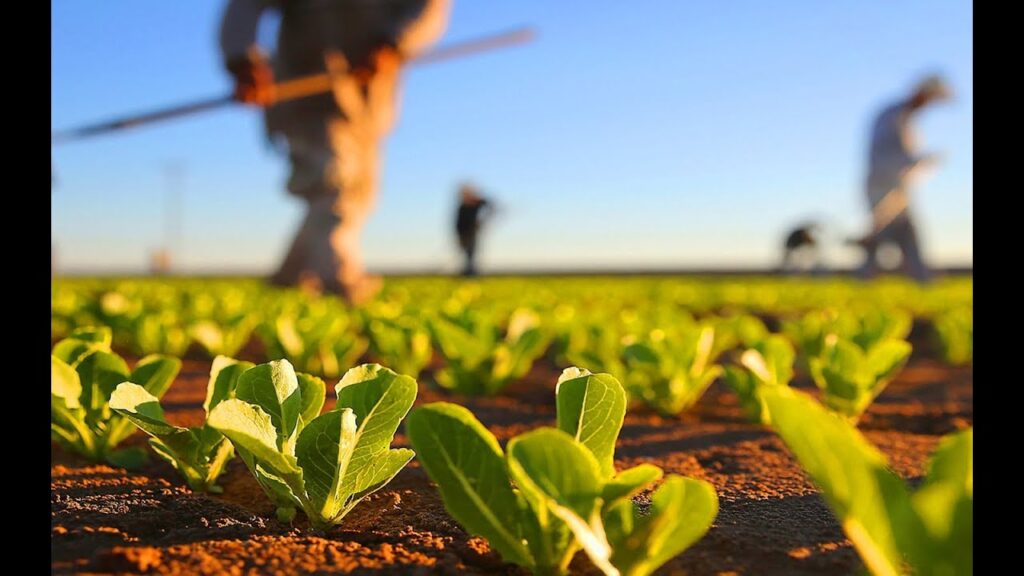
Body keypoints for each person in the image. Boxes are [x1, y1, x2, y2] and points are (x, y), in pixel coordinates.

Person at [219, 0, 451, 303]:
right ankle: (340, 278)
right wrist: (242, 59)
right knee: (332, 182)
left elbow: (427, 9)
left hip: (368, 97)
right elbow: (246, 7)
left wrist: (394, 41)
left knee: (359, 192)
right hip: (307, 89)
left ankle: (288, 278)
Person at [854, 75, 951, 282]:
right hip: (883, 185)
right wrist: (923, 160)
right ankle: (866, 281)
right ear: (922, 93)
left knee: (905, 235)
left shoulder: (905, 118)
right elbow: (891, 155)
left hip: (897, 187)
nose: (928, 104)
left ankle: (920, 280)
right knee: (882, 235)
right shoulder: (893, 116)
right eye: (930, 99)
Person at [454, 183, 494, 277]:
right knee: (468, 254)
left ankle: (471, 273)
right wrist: (460, 237)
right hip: (464, 234)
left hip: (473, 233)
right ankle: (469, 272)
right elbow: (458, 224)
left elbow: (489, 205)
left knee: (472, 253)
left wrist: (482, 220)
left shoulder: (476, 203)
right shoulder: (462, 207)